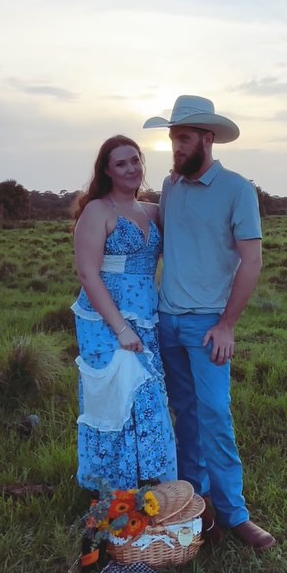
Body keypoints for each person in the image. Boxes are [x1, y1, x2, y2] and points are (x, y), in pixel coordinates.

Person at [143, 96, 277, 552]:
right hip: (167, 321)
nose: (174, 148)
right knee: (184, 413)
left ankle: (235, 515)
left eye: (181, 139)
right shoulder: (170, 185)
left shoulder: (237, 189)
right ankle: (193, 507)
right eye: (171, 139)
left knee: (216, 415)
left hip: (207, 326)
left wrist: (227, 325)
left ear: (206, 138)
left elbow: (252, 260)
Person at [72, 135, 177, 492]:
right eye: (121, 163)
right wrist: (120, 328)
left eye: (135, 160)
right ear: (106, 170)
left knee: (148, 398)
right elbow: (87, 273)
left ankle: (151, 489)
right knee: (119, 399)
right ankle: (113, 492)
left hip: (147, 315)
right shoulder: (98, 210)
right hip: (106, 320)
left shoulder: (151, 211)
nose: (131, 168)